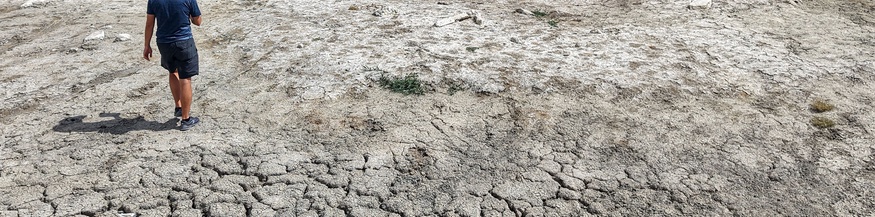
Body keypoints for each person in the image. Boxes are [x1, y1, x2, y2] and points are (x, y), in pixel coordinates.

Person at [143, 0, 202, 131]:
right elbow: (198, 22)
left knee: (172, 71)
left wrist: (146, 45)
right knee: (185, 79)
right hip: (183, 42)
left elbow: (149, 24)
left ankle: (178, 107)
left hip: (164, 43)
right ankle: (186, 120)